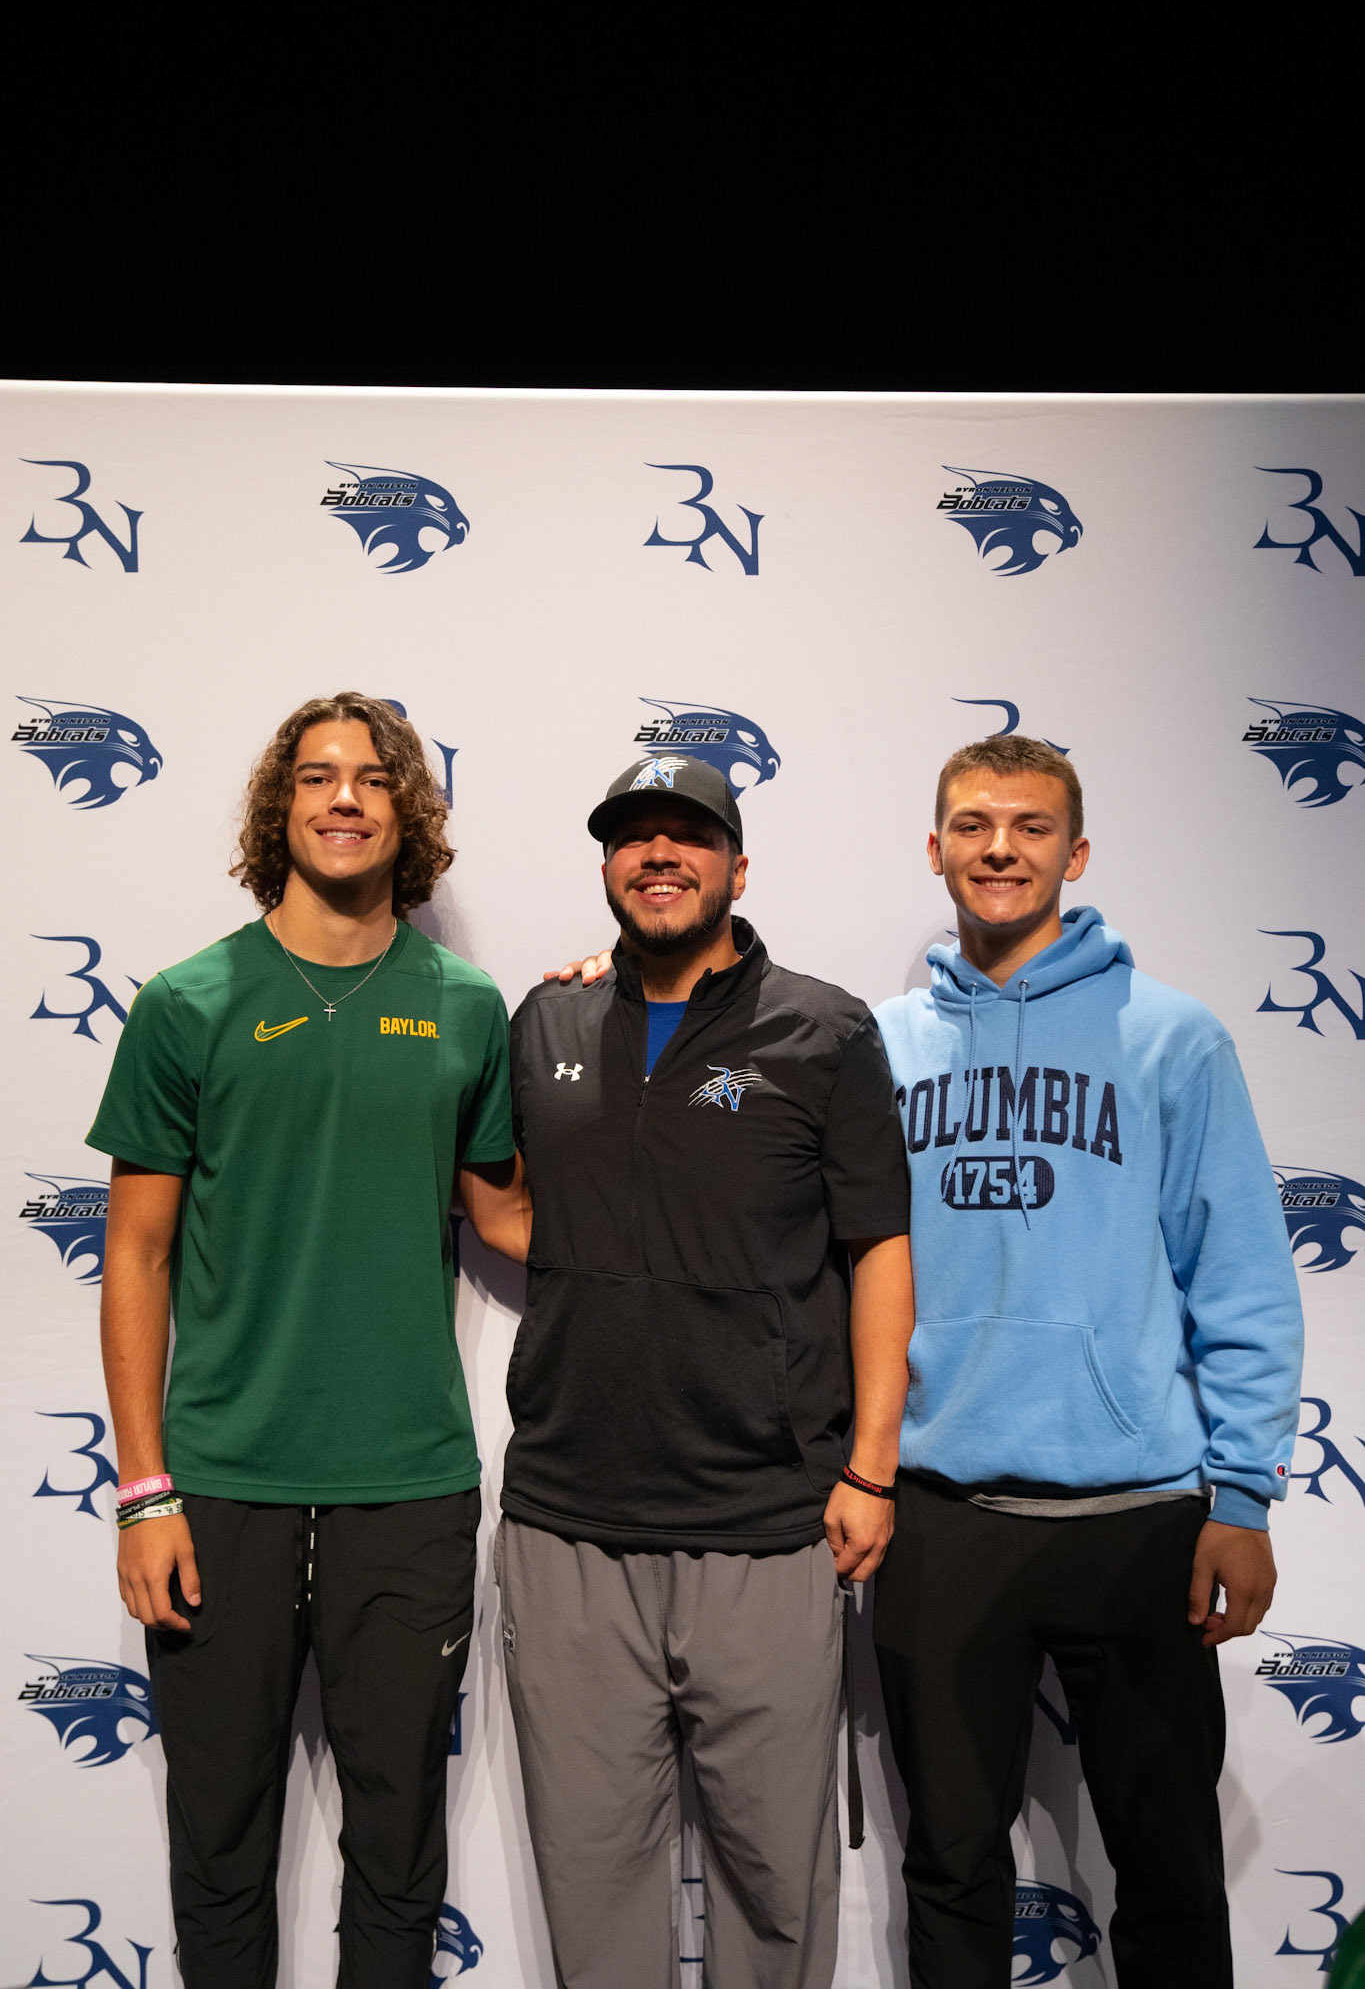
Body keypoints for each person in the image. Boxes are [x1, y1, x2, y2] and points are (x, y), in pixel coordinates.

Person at [88, 692, 530, 1989]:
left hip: (409, 1481)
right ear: (279, 807)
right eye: (318, 775)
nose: (346, 797)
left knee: (399, 1847)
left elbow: (509, 1213)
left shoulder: (467, 1004)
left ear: (410, 811)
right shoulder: (188, 1002)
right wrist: (144, 1490)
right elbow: (135, 1254)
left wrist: (623, 1033)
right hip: (221, 1484)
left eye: (374, 777)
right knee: (220, 1842)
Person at [869, 733, 1303, 1989]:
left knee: (1168, 1871)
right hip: (943, 1513)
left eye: (1031, 825)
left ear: (1078, 850)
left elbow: (1241, 1276)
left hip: (1141, 1517)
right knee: (952, 1869)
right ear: (936, 846)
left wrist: (1242, 1496)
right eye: (973, 823)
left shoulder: (1174, 1037)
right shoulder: (881, 1044)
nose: (1000, 847)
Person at [500, 754, 914, 1989]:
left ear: (738, 865)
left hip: (769, 1518)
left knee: (776, 1885)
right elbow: (501, 1200)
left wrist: (872, 1466)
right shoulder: (548, 1019)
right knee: (592, 1886)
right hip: (569, 1517)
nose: (660, 854)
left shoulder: (825, 1028)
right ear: (609, 865)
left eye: (689, 833)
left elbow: (878, 1249)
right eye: (635, 836)